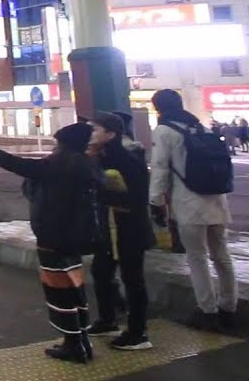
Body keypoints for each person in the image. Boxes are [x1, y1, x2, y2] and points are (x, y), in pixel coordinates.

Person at [0, 124, 100, 364]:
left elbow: (16, 164)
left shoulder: (58, 165)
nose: (55, 148)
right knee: (74, 288)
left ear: (65, 145)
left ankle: (73, 345)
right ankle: (82, 340)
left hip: (53, 237)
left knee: (58, 291)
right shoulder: (85, 164)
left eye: (57, 144)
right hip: (76, 238)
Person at [149, 89, 237, 331]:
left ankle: (207, 311)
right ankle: (229, 307)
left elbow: (160, 169)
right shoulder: (201, 128)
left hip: (189, 202)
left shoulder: (165, 131)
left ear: (159, 108)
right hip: (217, 200)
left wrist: (156, 202)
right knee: (221, 254)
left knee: (197, 257)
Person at [86, 112, 155, 351]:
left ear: (111, 134)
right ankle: (108, 320)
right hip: (109, 228)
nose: (90, 133)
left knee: (132, 278)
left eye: (94, 128)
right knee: (101, 271)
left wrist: (100, 191)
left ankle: (138, 333)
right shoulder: (100, 156)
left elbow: (136, 196)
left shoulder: (127, 158)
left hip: (129, 228)